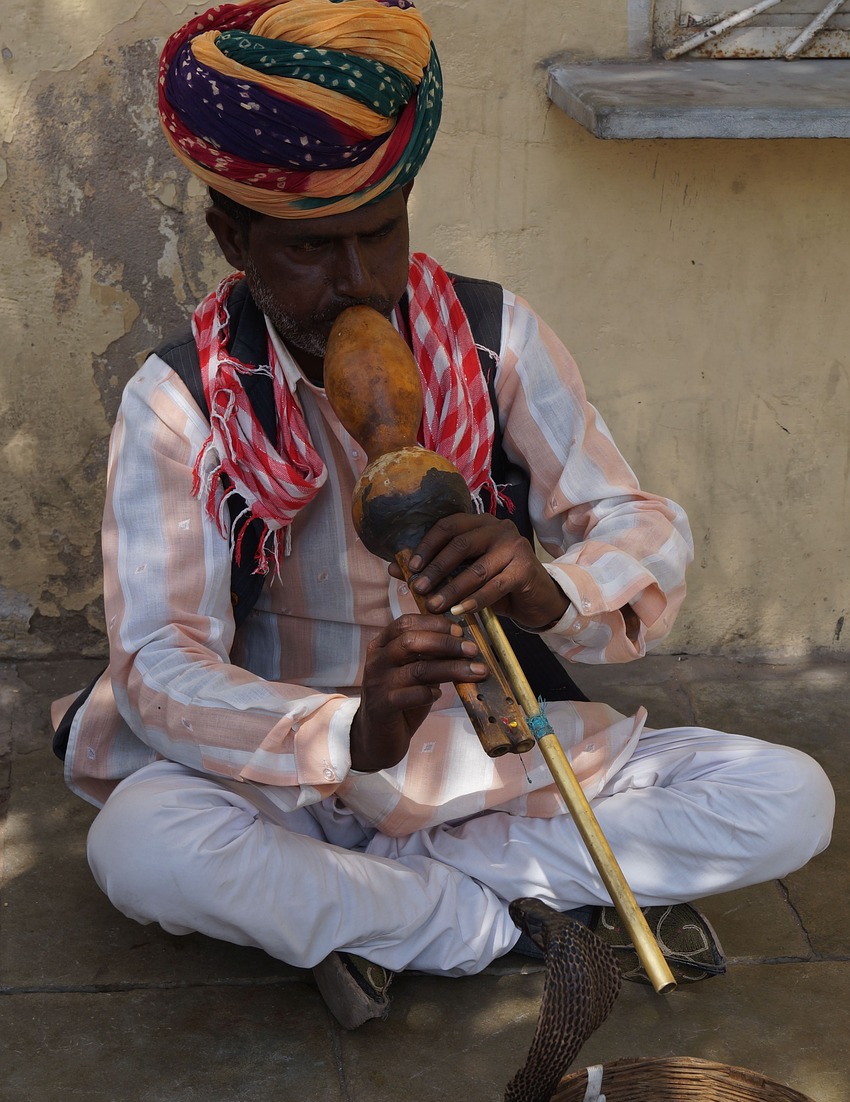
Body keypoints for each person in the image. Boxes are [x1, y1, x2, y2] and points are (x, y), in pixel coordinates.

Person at [54, 0, 834, 1029]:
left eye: (379, 234)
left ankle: (383, 915)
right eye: (308, 249)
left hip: (492, 760)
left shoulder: (493, 338)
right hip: (290, 772)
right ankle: (501, 920)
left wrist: (551, 589)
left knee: (791, 796)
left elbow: (641, 525)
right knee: (143, 847)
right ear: (230, 235)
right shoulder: (179, 398)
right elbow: (159, 662)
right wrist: (346, 730)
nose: (355, 280)